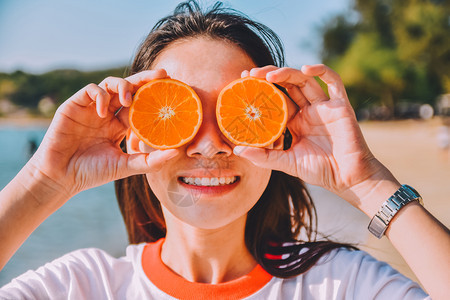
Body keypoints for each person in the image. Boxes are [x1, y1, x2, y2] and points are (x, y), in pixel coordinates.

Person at [0, 1, 449, 299]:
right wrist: (45, 182)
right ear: (138, 133)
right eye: (181, 114)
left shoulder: (341, 284)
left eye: (239, 115)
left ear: (276, 133)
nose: (211, 144)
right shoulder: (81, 286)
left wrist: (367, 184)